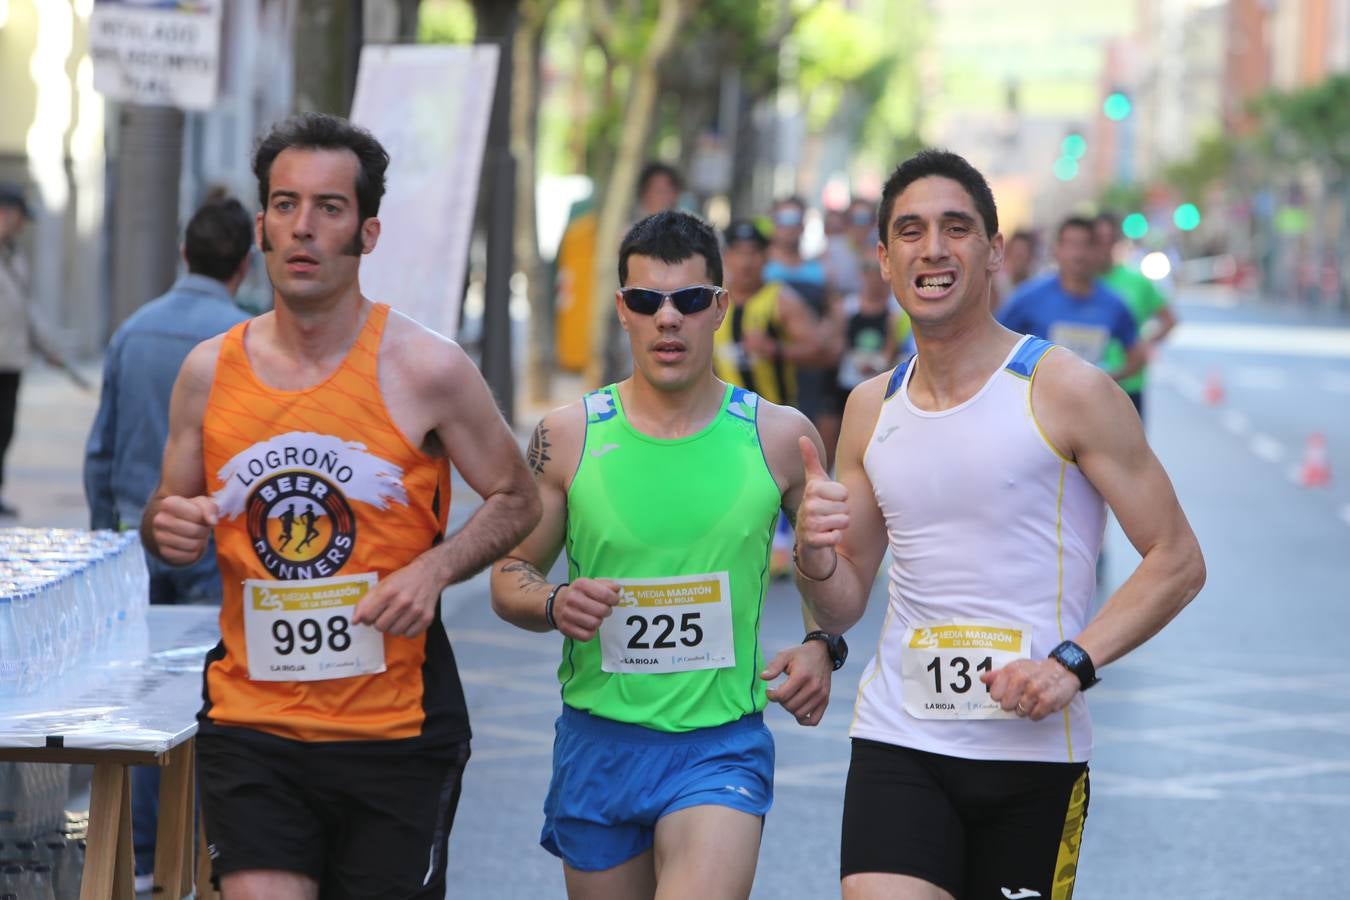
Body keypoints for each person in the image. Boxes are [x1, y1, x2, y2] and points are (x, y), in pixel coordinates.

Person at [140, 112, 541, 899]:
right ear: (260, 226)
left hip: (396, 734)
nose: (303, 227)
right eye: (285, 205)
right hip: (252, 725)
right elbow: (168, 517)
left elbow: (516, 497)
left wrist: (434, 569)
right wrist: (168, 525)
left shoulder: (427, 368)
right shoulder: (206, 373)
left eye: (329, 208)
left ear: (369, 231)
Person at [793, 149, 1206, 898]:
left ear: (994, 252)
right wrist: (814, 555)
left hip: (1034, 752)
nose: (934, 248)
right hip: (900, 738)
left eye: (957, 227)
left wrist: (1071, 664)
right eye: (911, 231)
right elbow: (843, 601)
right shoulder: (868, 409)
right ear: (884, 260)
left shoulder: (1068, 390)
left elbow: (1176, 559)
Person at [489, 209, 840, 900]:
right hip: (599, 743)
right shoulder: (566, 436)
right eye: (647, 301)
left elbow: (834, 581)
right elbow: (509, 575)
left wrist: (822, 641)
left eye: (689, 301)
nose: (667, 319)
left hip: (718, 747)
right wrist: (555, 601)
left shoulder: (779, 437)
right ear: (623, 310)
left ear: (721, 308)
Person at [82, 192, 254, 886]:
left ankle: (143, 854)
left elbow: (102, 450)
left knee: (135, 700)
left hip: (137, 534)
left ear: (184, 253)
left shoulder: (133, 330)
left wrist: (107, 538)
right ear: (245, 265)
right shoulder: (248, 343)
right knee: (210, 697)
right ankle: (198, 849)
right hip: (217, 539)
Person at [999, 216, 1145, 383]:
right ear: (1057, 250)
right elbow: (994, 344)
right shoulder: (1027, 298)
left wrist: (1105, 381)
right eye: (1071, 245)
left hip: (1089, 404)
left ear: (1098, 251)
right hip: (1037, 404)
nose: (1078, 254)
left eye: (1086, 245)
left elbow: (1137, 355)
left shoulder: (1114, 303)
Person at [0, 182, 63, 518]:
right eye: (19, 216)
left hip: (10, 360)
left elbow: (25, 307)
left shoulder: (14, 256)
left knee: (4, 429)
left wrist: (47, 347)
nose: (21, 225)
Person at [1095, 212, 1178, 418]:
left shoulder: (1137, 281)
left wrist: (1145, 344)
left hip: (1128, 382)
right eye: (1097, 240)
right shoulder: (1079, 283)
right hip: (1085, 381)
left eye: (1109, 240)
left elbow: (1169, 320)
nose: (1103, 247)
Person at [991, 228, 1038, 311]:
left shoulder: (1038, 288)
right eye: (1015, 254)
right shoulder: (998, 287)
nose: (1018, 261)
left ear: (1030, 257)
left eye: (1021, 256)